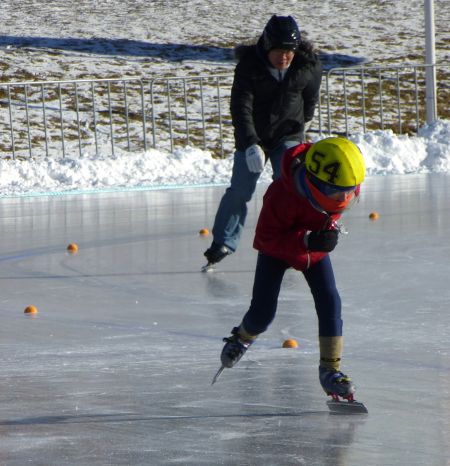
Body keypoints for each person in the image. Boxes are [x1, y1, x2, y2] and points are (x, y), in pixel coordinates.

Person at [217, 137, 366, 400]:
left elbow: (341, 195)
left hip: (312, 249)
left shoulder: (338, 185)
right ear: (316, 184)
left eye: (350, 193)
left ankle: (330, 370)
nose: (344, 200)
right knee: (263, 314)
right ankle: (241, 337)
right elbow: (265, 238)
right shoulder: (280, 195)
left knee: (330, 301)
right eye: (338, 194)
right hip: (276, 250)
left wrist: (316, 239)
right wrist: (306, 239)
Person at [204, 15, 323, 267]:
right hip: (253, 136)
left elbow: (310, 97)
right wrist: (250, 144)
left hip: (287, 135)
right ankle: (223, 242)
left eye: (289, 52)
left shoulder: (307, 66)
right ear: (267, 47)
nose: (284, 58)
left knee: (291, 188)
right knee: (240, 190)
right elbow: (240, 108)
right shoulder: (249, 67)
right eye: (279, 52)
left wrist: (305, 122)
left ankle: (294, 240)